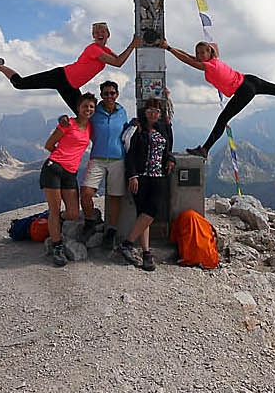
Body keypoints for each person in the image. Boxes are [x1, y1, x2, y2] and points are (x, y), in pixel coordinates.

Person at [160, 40, 275, 156]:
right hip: (250, 80)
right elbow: (189, 56)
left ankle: (205, 150)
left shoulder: (208, 66)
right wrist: (170, 46)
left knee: (223, 119)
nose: (198, 55)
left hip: (244, 90)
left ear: (208, 53)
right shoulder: (215, 59)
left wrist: (168, 49)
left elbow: (187, 60)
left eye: (201, 52)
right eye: (197, 52)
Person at [0, 22, 139, 114]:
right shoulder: (94, 49)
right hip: (60, 76)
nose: (99, 33)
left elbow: (119, 60)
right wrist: (132, 45)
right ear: (93, 36)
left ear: (108, 34)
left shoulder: (105, 50)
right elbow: (118, 63)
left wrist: (132, 45)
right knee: (19, 83)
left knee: (84, 114)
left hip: (71, 87)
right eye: (96, 31)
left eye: (102, 31)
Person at [117, 97, 175, 272]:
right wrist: (132, 176)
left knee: (150, 213)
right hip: (141, 177)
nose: (152, 113)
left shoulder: (164, 128)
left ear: (159, 113)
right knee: (144, 214)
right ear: (144, 112)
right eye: (149, 110)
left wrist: (171, 158)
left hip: (159, 176)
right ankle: (146, 254)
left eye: (155, 111)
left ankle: (127, 244)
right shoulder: (137, 128)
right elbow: (131, 154)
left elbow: (169, 148)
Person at [39, 92, 96, 267]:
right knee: (54, 210)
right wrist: (61, 157)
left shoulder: (90, 127)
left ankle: (54, 223)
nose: (88, 109)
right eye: (85, 106)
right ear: (78, 108)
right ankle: (57, 247)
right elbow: (49, 145)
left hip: (70, 174)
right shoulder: (67, 123)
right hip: (53, 169)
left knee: (72, 213)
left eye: (91, 106)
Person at [79, 79, 127, 245]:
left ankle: (111, 231)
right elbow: (80, 118)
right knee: (86, 192)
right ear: (101, 95)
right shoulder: (95, 111)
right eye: (105, 93)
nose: (109, 96)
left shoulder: (122, 111)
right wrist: (62, 118)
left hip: (118, 158)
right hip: (97, 158)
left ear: (117, 94)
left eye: (112, 93)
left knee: (115, 196)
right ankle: (90, 220)